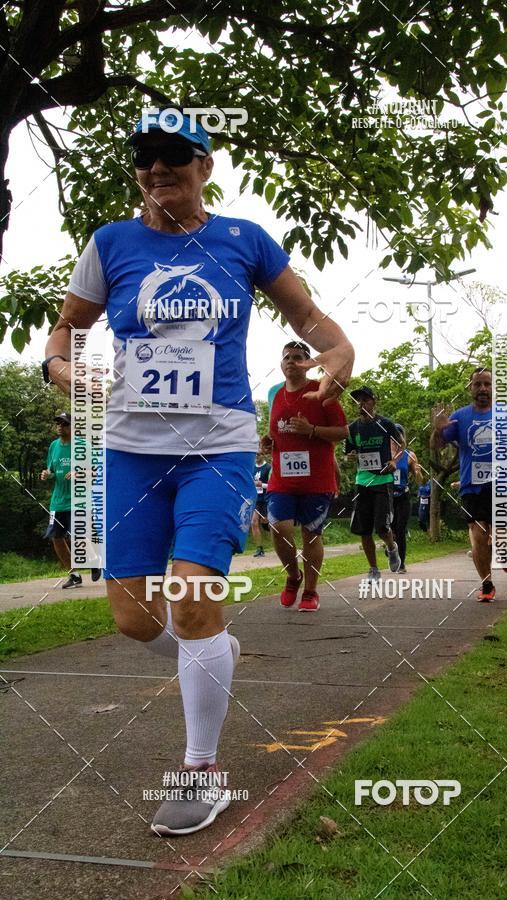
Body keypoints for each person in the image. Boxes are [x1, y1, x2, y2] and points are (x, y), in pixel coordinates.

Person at [42, 108, 354, 836]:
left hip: (218, 446)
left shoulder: (244, 240)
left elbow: (311, 320)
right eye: (145, 158)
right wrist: (58, 364)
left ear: (205, 166)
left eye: (175, 157)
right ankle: (211, 645)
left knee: (188, 600)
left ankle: (201, 770)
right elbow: (68, 328)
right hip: (129, 449)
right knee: (133, 618)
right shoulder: (110, 244)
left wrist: (338, 352)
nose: (158, 169)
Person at [433, 367, 507, 602]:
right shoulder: (460, 416)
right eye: (478, 384)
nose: (483, 388)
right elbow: (437, 446)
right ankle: (487, 584)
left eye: (487, 384)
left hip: (504, 484)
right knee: (479, 534)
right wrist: (437, 430)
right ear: (471, 388)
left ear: (494, 388)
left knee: (502, 535)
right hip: (472, 484)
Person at [262, 341, 348, 611]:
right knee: (279, 528)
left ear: (308, 364)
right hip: (282, 478)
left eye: (297, 357)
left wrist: (311, 430)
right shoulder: (276, 394)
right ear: (281, 363)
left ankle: (310, 591)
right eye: (287, 357)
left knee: (311, 535)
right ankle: (293, 576)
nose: (291, 361)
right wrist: (268, 442)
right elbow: (276, 431)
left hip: (317, 478)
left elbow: (343, 431)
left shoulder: (322, 391)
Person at [345, 387, 402, 582]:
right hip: (362, 481)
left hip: (383, 480)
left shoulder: (385, 424)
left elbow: (401, 444)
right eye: (358, 401)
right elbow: (349, 453)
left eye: (365, 400)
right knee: (364, 529)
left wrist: (394, 460)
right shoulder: (352, 428)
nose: (361, 404)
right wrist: (350, 457)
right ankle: (373, 569)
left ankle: (392, 548)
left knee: (381, 527)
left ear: (373, 402)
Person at [40, 412, 101, 588]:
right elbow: (52, 470)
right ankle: (74, 576)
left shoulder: (84, 446)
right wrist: (47, 474)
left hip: (79, 499)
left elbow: (97, 471)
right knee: (56, 538)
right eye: (58, 423)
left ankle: (95, 560)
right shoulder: (53, 446)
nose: (60, 426)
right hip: (58, 501)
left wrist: (79, 473)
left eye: (65, 424)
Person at [391, 425, 422, 572]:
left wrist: (417, 472)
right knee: (388, 529)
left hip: (403, 496)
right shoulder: (385, 454)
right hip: (387, 497)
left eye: (399, 436)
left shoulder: (409, 455)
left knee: (400, 529)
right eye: (393, 437)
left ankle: (401, 563)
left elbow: (419, 480)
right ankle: (391, 548)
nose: (396, 440)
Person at [251, 451, 271, 556]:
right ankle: (259, 548)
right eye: (255, 455)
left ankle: (279, 540)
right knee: (254, 522)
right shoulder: (252, 467)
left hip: (266, 499)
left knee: (265, 522)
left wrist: (261, 485)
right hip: (255, 499)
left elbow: (272, 485)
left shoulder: (268, 468)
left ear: (263, 455)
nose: (256, 457)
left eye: (258, 455)